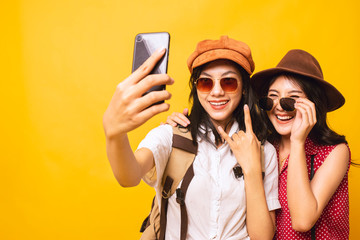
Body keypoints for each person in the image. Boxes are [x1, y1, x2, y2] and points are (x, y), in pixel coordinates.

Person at [103, 36, 280, 239]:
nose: (217, 91)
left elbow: (263, 237)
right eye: (206, 82)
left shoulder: (264, 149)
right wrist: (115, 134)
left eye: (228, 82)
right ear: (196, 88)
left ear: (244, 88)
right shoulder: (171, 136)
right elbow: (129, 176)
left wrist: (252, 169)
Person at [168, 49, 351, 239]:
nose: (279, 106)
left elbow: (302, 220)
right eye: (272, 97)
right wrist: (180, 127)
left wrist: (297, 142)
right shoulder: (261, 146)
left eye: (291, 99)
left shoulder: (334, 152)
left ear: (313, 104)